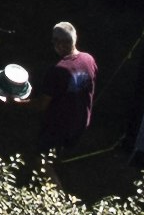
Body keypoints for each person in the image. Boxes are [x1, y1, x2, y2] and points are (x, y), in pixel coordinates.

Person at [34, 20, 97, 152]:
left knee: (42, 157)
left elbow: (41, 105)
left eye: (54, 41)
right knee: (64, 156)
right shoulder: (89, 59)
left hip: (58, 129)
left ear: (60, 43)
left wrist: (17, 102)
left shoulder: (58, 70)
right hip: (81, 124)